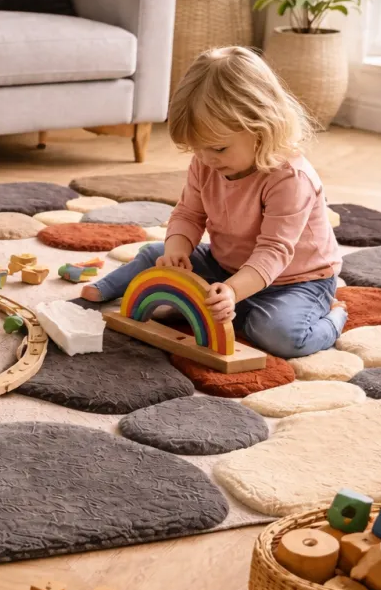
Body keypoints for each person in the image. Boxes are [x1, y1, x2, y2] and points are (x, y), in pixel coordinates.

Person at [82, 46, 346, 358]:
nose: (206, 159)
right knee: (156, 254)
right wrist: (177, 251)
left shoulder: (290, 179)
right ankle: (106, 289)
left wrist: (233, 290)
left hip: (295, 280)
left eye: (218, 149)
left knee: (280, 336)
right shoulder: (206, 162)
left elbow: (274, 252)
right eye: (197, 148)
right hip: (226, 264)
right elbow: (188, 214)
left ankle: (334, 315)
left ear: (261, 128)